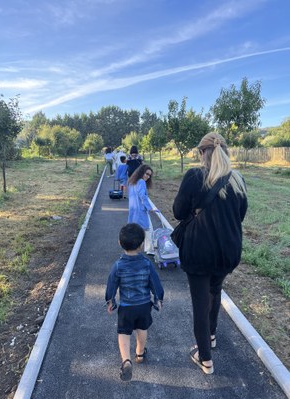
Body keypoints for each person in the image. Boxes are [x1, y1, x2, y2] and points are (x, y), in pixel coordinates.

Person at [172, 132, 248, 375]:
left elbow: (178, 211)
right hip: (228, 252)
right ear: (225, 151)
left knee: (200, 302)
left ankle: (205, 358)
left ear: (201, 153)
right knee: (216, 291)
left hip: (199, 250)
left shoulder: (194, 176)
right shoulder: (237, 179)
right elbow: (240, 214)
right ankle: (212, 336)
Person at [105, 223, 164, 381]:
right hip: (144, 306)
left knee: (124, 333)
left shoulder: (118, 266)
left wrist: (110, 301)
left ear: (119, 243)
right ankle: (139, 353)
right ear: (142, 244)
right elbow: (155, 282)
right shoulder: (146, 264)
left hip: (126, 307)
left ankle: (126, 360)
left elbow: (112, 284)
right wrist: (158, 298)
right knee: (142, 328)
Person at [128, 164, 158, 254]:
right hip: (140, 210)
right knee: (147, 229)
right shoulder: (141, 182)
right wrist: (149, 208)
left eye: (149, 175)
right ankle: (149, 249)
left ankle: (132, 247)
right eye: (147, 174)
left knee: (134, 229)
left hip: (133, 210)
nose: (148, 177)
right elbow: (143, 196)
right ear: (142, 172)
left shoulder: (132, 182)